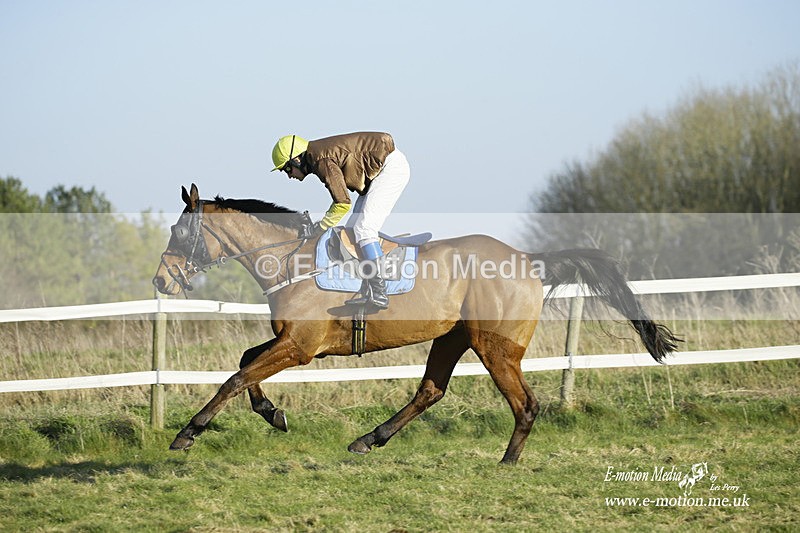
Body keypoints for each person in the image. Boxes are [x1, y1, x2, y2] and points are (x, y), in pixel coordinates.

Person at [270, 132, 410, 309]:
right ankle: (367, 289)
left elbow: (342, 203)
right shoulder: (317, 157)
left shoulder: (321, 161)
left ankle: (379, 292)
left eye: (286, 169)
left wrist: (320, 228)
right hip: (380, 171)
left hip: (390, 169)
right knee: (352, 231)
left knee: (364, 229)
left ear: (296, 160)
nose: (288, 176)